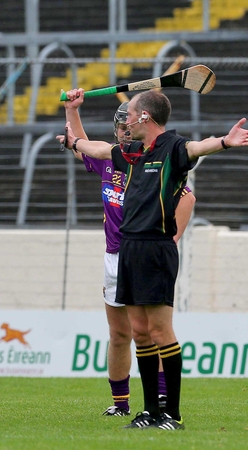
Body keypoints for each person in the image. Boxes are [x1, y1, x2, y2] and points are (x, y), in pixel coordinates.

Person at [59, 89, 248, 430]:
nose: (125, 120)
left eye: (130, 114)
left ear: (145, 117)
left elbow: (197, 147)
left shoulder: (174, 147)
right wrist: (74, 142)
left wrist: (224, 142)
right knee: (141, 333)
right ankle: (148, 411)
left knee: (161, 331)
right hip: (128, 248)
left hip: (155, 249)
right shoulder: (131, 152)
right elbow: (101, 149)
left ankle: (171, 413)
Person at [63, 90, 195, 417]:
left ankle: (163, 404)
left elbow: (187, 197)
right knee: (121, 334)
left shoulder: (152, 160)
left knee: (153, 332)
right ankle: (121, 405)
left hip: (146, 251)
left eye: (129, 122)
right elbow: (81, 144)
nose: (124, 129)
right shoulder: (114, 159)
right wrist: (71, 109)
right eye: (121, 124)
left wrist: (170, 237)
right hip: (115, 256)